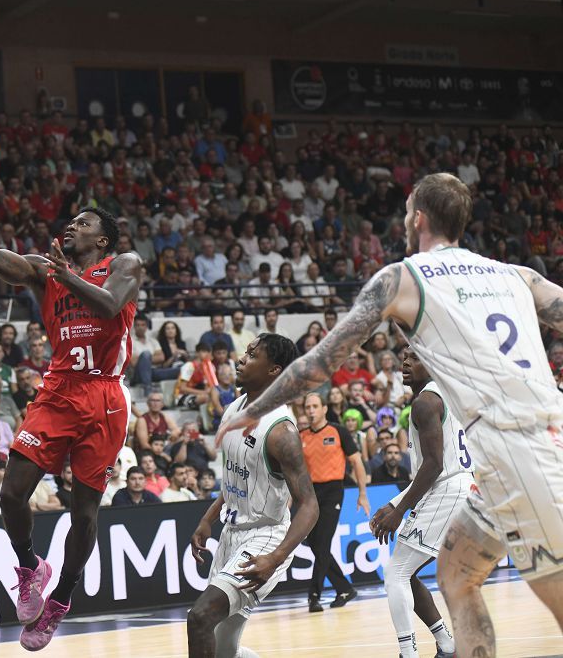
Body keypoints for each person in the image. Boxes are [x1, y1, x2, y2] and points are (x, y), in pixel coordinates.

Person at [217, 173, 563, 655]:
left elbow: (319, 364)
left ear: (417, 217)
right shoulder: (516, 274)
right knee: (456, 577)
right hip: (501, 463)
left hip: (527, 455)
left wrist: (256, 406)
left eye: (406, 213)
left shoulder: (403, 278)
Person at [0, 151, 140, 651]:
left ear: (104, 240)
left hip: (105, 396)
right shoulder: (43, 272)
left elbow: (110, 305)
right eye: (70, 221)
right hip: (59, 391)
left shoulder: (125, 264)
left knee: (84, 514)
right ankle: (30, 566)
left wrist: (65, 274)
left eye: (83, 223)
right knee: (11, 493)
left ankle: (60, 599)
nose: (72, 226)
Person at [187, 334, 319, 658]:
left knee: (200, 617)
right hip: (232, 532)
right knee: (223, 648)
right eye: (245, 351)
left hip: (265, 537)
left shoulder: (281, 432)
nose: (241, 359)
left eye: (252, 354)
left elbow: (309, 506)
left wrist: (275, 559)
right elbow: (235, 480)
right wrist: (207, 520)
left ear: (274, 370)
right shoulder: (234, 408)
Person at [370, 347, 471, 658]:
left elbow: (434, 466)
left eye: (414, 358)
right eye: (404, 357)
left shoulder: (425, 402)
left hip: (448, 491)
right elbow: (438, 465)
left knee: (395, 573)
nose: (405, 363)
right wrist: (396, 502)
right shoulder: (445, 395)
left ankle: (408, 652)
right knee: (406, 573)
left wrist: (400, 511)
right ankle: (447, 645)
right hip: (459, 488)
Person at [296, 392, 370, 612]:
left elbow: (356, 461)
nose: (311, 411)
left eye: (315, 406)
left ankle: (314, 595)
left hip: (332, 491)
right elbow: (296, 471)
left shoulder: (339, 431)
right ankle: (344, 588)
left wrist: (362, 493)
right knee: (314, 542)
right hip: (309, 494)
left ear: (324, 408)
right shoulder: (301, 436)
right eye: (307, 407)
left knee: (323, 542)